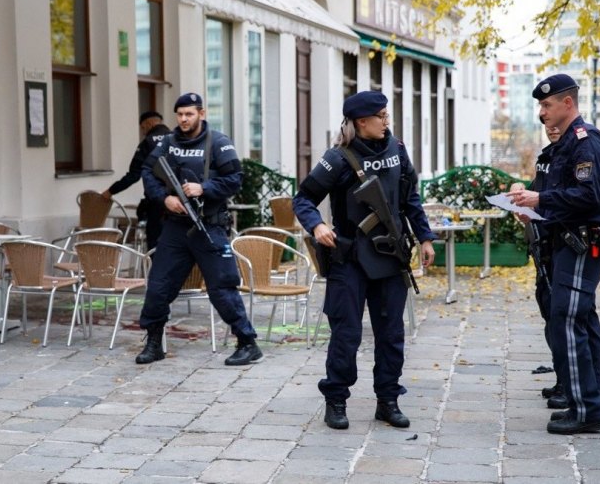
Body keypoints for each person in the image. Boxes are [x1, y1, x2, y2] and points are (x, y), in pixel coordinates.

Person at [293, 91, 436, 430]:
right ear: (361, 122)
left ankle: (388, 400)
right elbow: (304, 199)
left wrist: (426, 237)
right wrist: (317, 224)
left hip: (391, 256)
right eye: (381, 116)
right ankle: (336, 400)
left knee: (391, 334)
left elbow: (411, 197)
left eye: (387, 115)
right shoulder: (338, 157)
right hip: (350, 260)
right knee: (347, 333)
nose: (387, 121)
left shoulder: (396, 149)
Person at [508, 73, 600, 434]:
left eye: (547, 105)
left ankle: (587, 410)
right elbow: (563, 194)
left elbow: (590, 197)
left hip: (582, 243)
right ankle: (587, 402)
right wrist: (533, 202)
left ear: (567, 103)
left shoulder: (586, 144)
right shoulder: (566, 146)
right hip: (568, 241)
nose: (542, 113)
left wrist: (540, 199)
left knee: (568, 322)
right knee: (580, 321)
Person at [136, 93, 262, 366]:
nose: (183, 119)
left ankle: (247, 342)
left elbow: (235, 179)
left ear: (201, 114)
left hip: (209, 225)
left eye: (189, 114)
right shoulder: (168, 143)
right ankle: (155, 342)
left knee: (222, 288)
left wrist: (204, 188)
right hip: (176, 228)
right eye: (180, 114)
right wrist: (164, 198)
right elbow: (147, 171)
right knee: (158, 286)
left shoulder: (218, 142)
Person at [510, 122, 568, 411]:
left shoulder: (576, 154)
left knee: (564, 320)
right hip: (543, 249)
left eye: (557, 124)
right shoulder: (548, 158)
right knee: (550, 317)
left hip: (564, 247)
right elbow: (538, 195)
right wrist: (522, 195)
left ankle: (572, 386)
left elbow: (579, 198)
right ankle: (563, 379)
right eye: (547, 125)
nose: (552, 128)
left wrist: (537, 202)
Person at [102, 111, 170, 250]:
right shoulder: (178, 138)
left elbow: (133, 175)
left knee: (155, 247)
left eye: (143, 129)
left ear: (148, 124)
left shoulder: (148, 142)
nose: (144, 132)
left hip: (157, 203)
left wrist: (111, 191)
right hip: (181, 202)